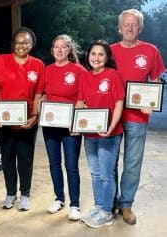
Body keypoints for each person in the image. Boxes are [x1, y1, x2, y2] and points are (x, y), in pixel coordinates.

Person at [110, 9, 165, 225]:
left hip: (137, 117)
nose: (130, 28)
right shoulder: (109, 51)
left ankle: (126, 204)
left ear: (140, 28)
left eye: (134, 24)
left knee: (132, 163)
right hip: (111, 116)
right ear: (120, 27)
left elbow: (157, 81)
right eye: (126, 24)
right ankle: (110, 201)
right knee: (109, 162)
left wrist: (152, 102)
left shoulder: (151, 51)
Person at [0, 27, 45, 211]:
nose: (22, 45)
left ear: (32, 44)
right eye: (19, 42)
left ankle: (25, 195)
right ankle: (10, 193)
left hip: (27, 121)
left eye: (26, 42)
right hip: (4, 121)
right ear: (14, 43)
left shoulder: (37, 65)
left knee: (25, 158)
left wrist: (35, 116)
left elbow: (38, 94)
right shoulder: (1, 60)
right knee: (7, 158)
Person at [76, 40, 125, 228]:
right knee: (95, 173)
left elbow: (119, 104)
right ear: (88, 56)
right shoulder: (85, 76)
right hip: (90, 134)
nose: (96, 58)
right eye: (93, 54)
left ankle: (106, 212)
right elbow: (80, 102)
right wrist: (76, 123)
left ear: (107, 57)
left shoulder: (112, 75)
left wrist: (111, 128)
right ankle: (98, 207)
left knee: (106, 174)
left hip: (109, 134)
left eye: (101, 54)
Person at [42, 34, 86, 220]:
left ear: (70, 49)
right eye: (56, 46)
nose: (59, 50)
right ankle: (59, 199)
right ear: (52, 50)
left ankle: (74, 205)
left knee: (71, 166)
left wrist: (75, 122)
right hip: (51, 124)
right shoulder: (47, 70)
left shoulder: (79, 70)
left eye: (64, 46)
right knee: (53, 164)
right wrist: (41, 109)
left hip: (70, 126)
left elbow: (82, 99)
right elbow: (44, 94)